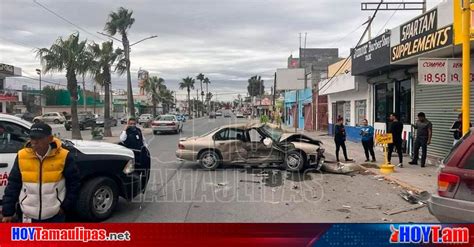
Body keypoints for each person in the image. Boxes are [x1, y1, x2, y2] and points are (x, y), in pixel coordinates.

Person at [2, 122, 80, 223]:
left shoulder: (64, 156)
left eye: (39, 138)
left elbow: (74, 184)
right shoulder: (22, 156)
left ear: (50, 139)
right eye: (32, 138)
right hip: (27, 215)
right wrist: (8, 212)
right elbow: (13, 185)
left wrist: (65, 207)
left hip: (55, 215)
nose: (34, 142)